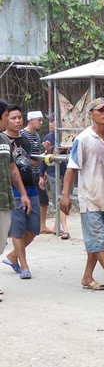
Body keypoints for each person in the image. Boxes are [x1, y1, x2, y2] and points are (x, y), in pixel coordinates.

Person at [60, 98, 104, 294]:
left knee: (99, 242)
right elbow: (72, 168)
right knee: (97, 240)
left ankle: (87, 277)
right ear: (91, 114)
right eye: (101, 110)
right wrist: (66, 195)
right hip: (90, 197)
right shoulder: (83, 139)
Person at [2, 104, 40, 279]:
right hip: (13, 191)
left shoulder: (24, 139)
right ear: (5, 119)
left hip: (31, 187)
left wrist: (43, 158)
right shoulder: (3, 139)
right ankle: (24, 266)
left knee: (34, 228)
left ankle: (12, 256)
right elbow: (11, 168)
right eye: (13, 118)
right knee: (18, 229)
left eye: (19, 117)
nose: (17, 121)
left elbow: (25, 162)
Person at [0, 100, 31, 300]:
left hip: (5, 201)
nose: (7, 120)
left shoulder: (4, 139)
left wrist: (23, 193)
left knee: (1, 244)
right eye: (6, 117)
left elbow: (12, 168)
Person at [21, 110, 52, 235]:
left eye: (41, 120)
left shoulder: (37, 136)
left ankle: (42, 225)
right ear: (31, 120)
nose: (41, 122)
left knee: (43, 198)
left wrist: (46, 152)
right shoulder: (23, 135)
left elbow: (37, 156)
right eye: (38, 120)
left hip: (36, 171)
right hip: (25, 172)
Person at [40, 117, 71, 239]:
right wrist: (41, 175)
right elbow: (45, 157)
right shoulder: (48, 137)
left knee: (64, 197)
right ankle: (64, 227)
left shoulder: (67, 136)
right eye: (50, 122)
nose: (51, 124)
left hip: (67, 171)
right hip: (53, 172)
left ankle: (57, 224)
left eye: (54, 121)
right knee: (58, 198)